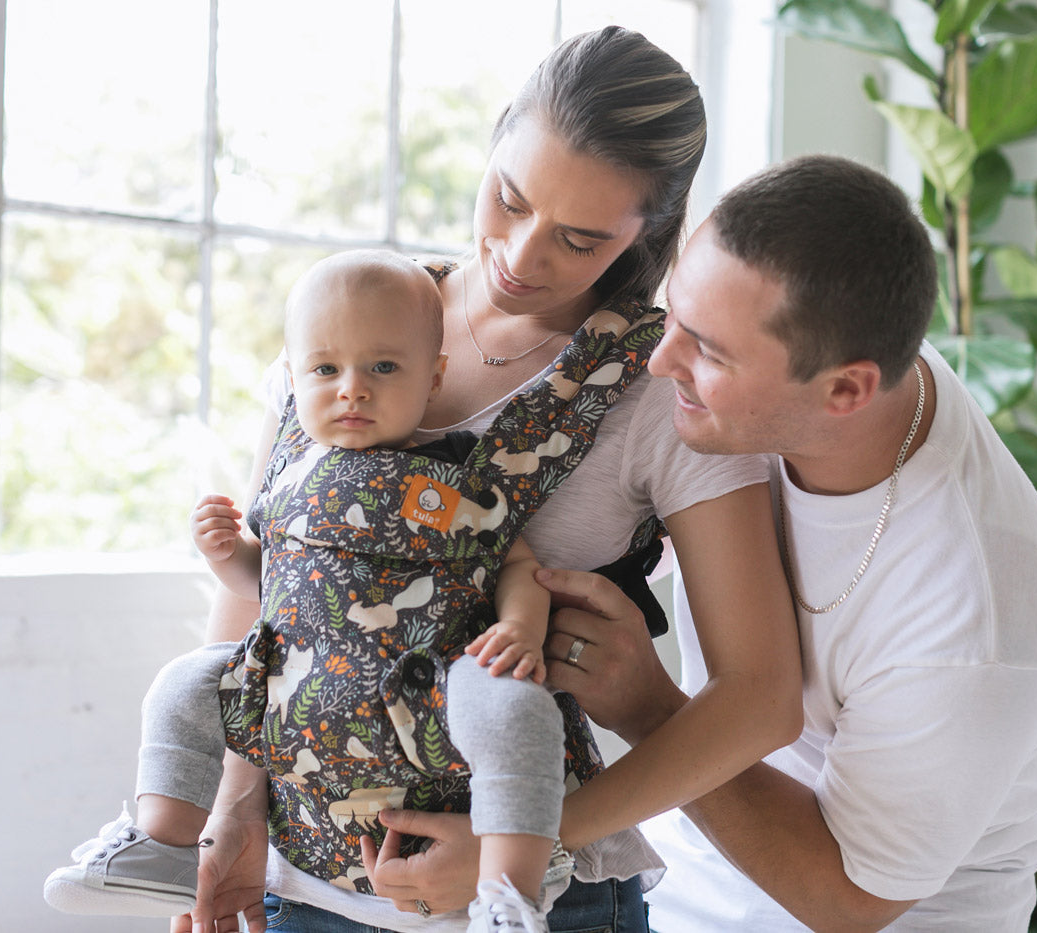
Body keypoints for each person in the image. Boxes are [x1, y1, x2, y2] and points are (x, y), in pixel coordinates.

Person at [176, 26, 803, 933]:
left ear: (648, 232)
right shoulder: (355, 318)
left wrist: (530, 840)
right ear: (495, 140)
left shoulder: (657, 393)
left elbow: (761, 696)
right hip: (308, 884)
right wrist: (230, 809)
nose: (520, 255)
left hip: (546, 904)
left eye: (581, 239)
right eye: (508, 199)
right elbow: (276, 598)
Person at [538, 155, 1037, 931]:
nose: (662, 363)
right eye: (676, 317)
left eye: (710, 352)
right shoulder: (815, 369)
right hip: (678, 888)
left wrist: (651, 709)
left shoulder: (974, 616)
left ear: (847, 391)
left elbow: (849, 898)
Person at [43, 249, 608, 932]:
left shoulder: (453, 484)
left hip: (430, 681)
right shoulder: (287, 477)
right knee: (182, 683)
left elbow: (516, 564)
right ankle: (163, 844)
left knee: (520, 711)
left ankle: (509, 892)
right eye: (325, 369)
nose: (352, 389)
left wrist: (519, 626)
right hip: (290, 679)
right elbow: (270, 584)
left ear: (434, 378)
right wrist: (228, 555)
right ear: (292, 378)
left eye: (383, 368)